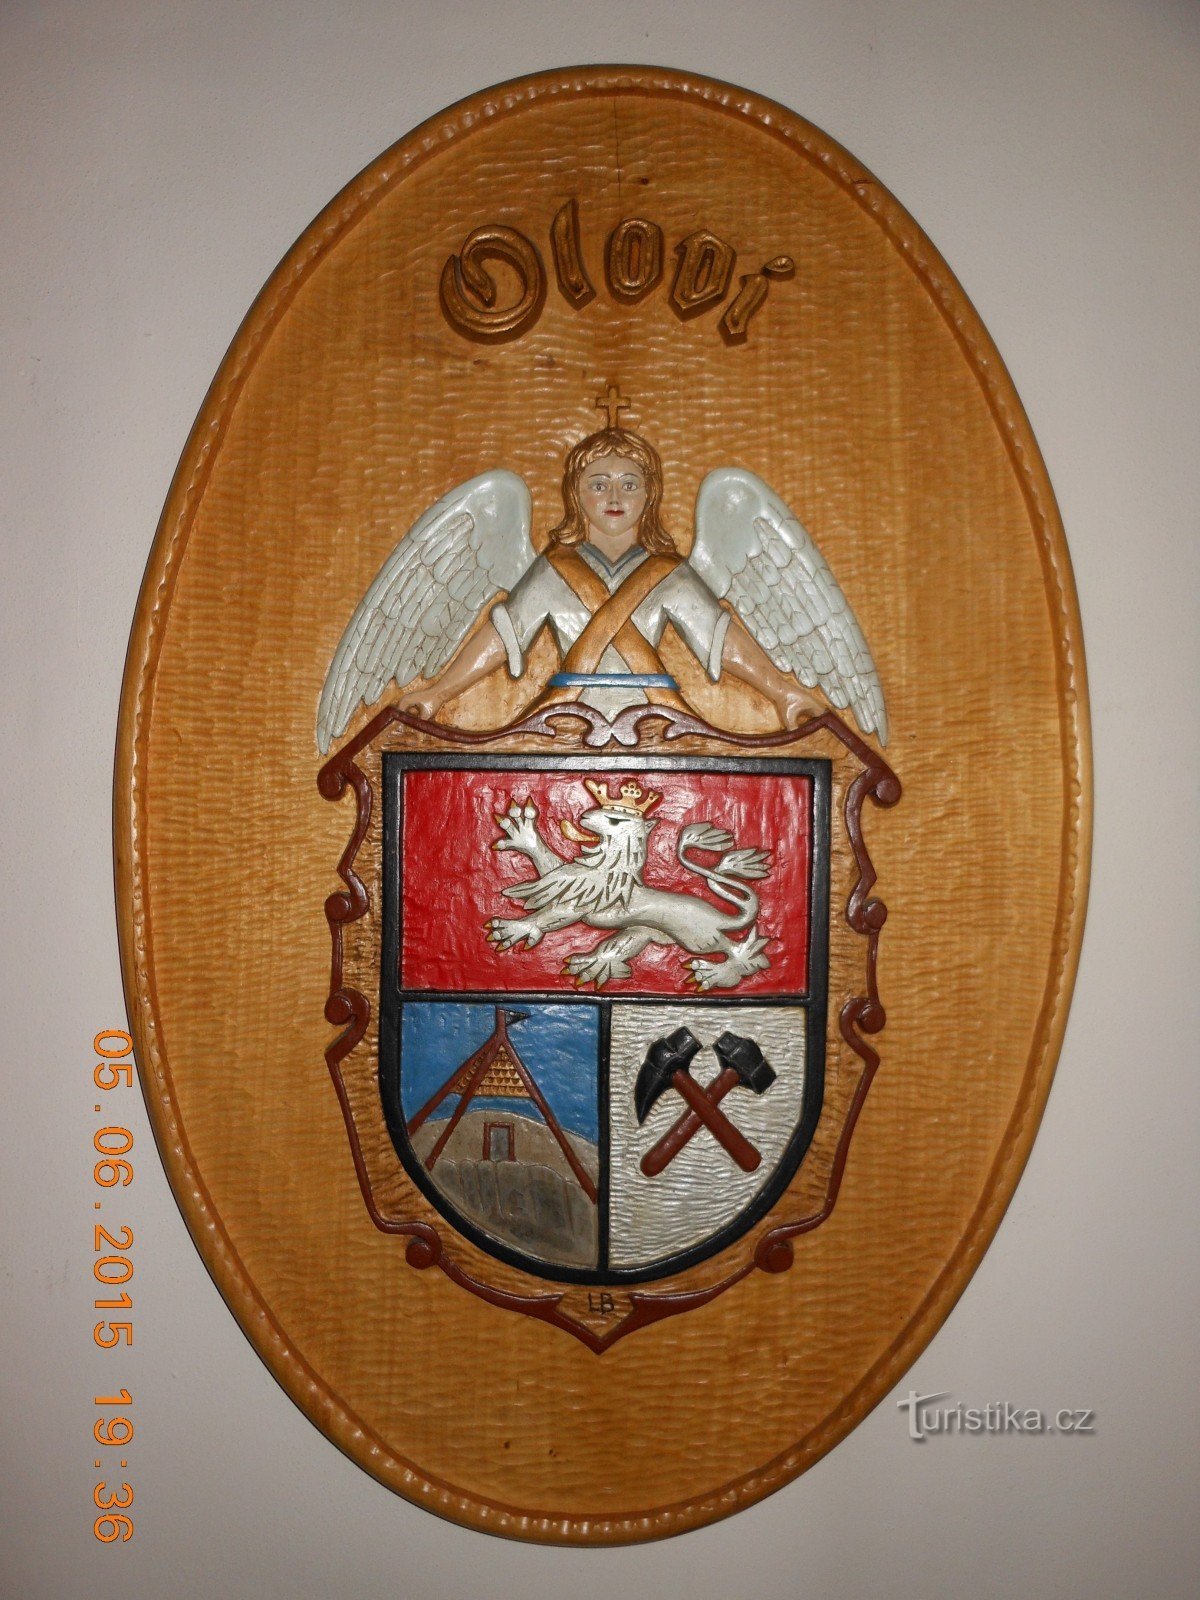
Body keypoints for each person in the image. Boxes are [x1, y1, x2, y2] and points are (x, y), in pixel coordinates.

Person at [399, 426, 822, 726]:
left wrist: (782, 692)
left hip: (656, 720)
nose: (615, 497)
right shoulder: (553, 570)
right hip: (565, 719)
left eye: (630, 484)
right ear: (576, 493)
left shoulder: (670, 574)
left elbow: (720, 641)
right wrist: (438, 693)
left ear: (650, 493)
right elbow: (503, 636)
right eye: (599, 485)